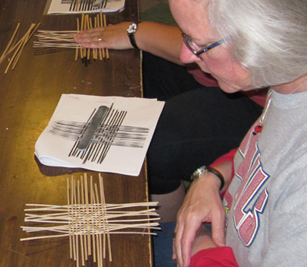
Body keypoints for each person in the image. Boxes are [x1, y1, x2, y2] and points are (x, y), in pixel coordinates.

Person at [159, 0, 307, 267]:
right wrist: (211, 178)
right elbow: (266, 152)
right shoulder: (292, 78)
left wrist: (203, 247)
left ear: (265, 36)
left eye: (199, 44)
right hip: (225, 235)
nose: (185, 55)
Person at [74, 20, 266, 222]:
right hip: (220, 80)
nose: (186, 55)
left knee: (148, 140)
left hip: (258, 107)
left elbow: (234, 55)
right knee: (136, 68)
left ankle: (167, 233)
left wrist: (138, 33)